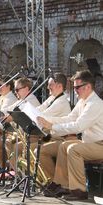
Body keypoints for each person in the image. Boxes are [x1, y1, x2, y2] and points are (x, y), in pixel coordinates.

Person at [37, 70, 103, 200]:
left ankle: (79, 190)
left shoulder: (95, 104)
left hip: (100, 144)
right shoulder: (83, 101)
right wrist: (49, 122)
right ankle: (64, 185)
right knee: (64, 145)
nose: (75, 90)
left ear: (88, 86)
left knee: (73, 149)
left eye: (77, 87)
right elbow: (69, 118)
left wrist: (52, 126)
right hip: (90, 143)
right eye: (74, 87)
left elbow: (78, 126)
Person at [0, 77, 40, 169]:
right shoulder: (21, 100)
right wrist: (3, 116)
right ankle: (10, 169)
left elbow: (24, 117)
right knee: (1, 143)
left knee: (9, 144)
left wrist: (12, 117)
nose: (15, 92)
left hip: (32, 135)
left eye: (17, 89)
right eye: (15, 90)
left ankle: (15, 172)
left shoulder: (31, 100)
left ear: (26, 89)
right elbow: (8, 110)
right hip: (21, 134)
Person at [36, 73, 73, 182]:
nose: (48, 87)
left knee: (38, 150)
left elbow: (43, 115)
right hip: (51, 136)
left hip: (61, 138)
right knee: (29, 146)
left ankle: (52, 182)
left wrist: (30, 113)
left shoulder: (62, 102)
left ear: (59, 86)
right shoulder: (53, 98)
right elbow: (39, 109)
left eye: (50, 84)